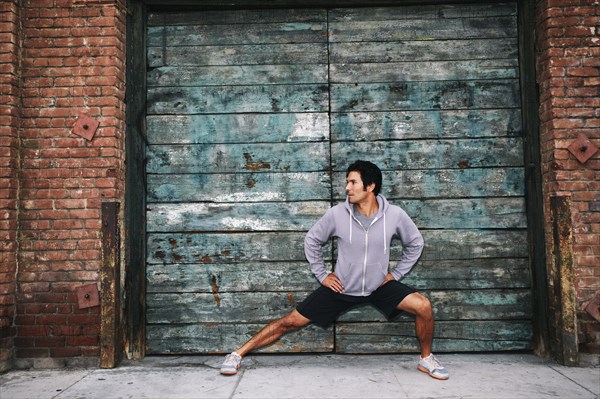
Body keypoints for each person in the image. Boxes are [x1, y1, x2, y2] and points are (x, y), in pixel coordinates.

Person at [220, 160, 449, 380]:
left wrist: (396, 274)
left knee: (423, 306)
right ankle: (237, 354)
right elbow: (312, 240)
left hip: (379, 286)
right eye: (347, 182)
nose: (347, 188)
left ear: (370, 186)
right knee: (289, 322)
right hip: (342, 287)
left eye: (353, 182)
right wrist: (322, 274)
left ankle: (426, 358)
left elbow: (415, 243)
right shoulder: (338, 214)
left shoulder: (395, 214)